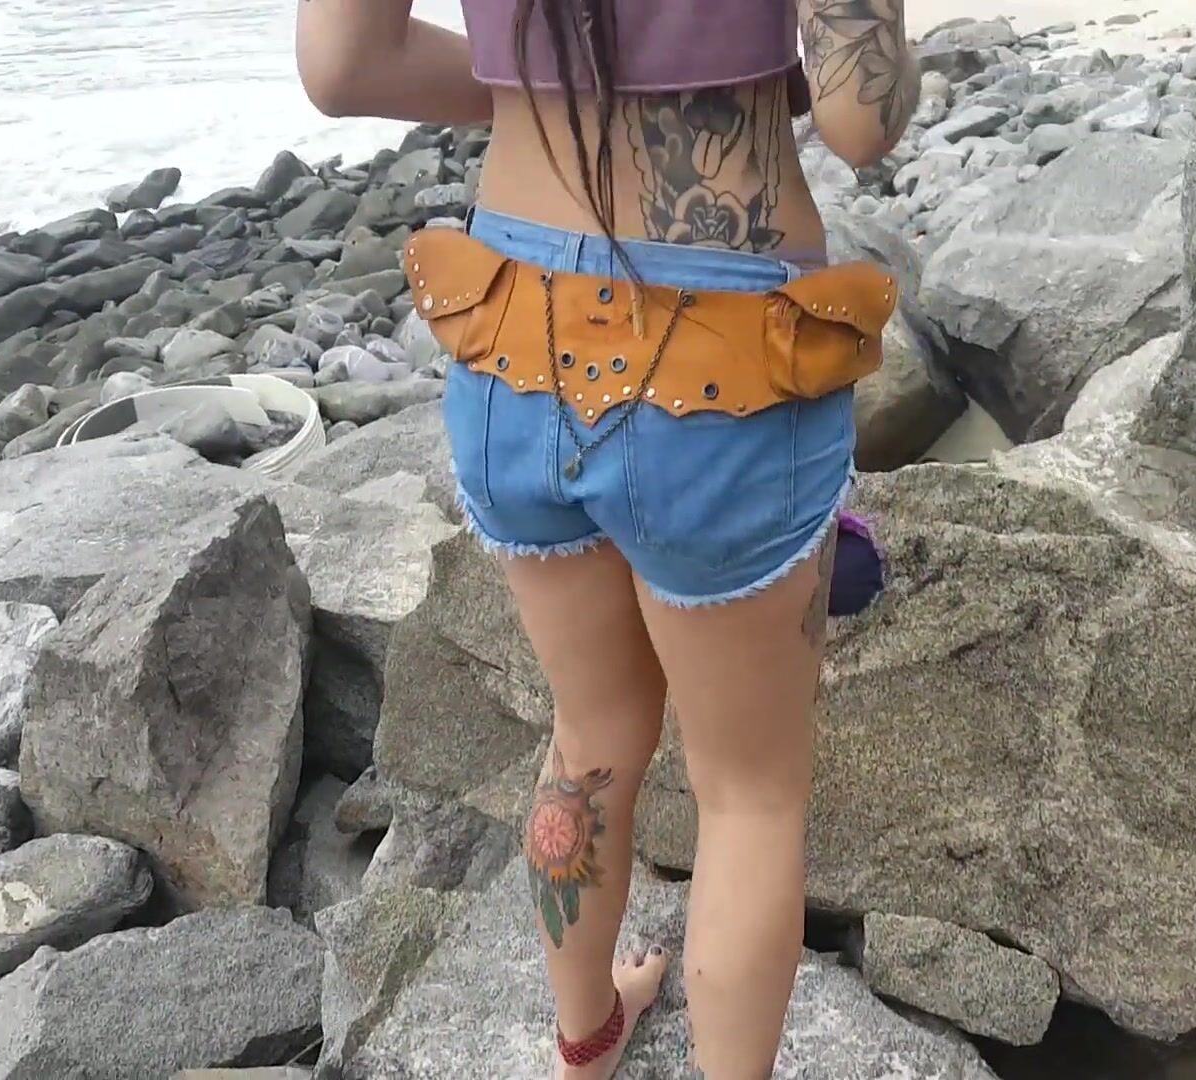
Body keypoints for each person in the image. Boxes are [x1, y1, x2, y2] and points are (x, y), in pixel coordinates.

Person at [297, 2, 915, 1076]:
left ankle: (584, 1044)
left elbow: (345, 66)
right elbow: (860, 119)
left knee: (588, 732)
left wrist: (547, 86)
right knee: (749, 796)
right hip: (727, 357)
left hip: (510, 323)